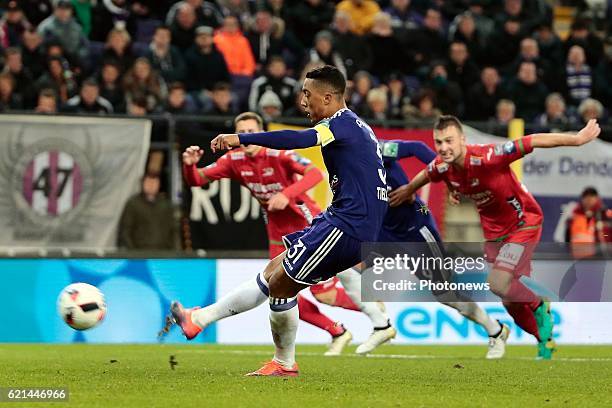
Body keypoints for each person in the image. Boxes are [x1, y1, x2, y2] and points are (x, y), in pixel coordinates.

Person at [172, 65, 389, 376]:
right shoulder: (356, 126)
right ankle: (199, 320)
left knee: (283, 284)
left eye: (307, 94)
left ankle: (286, 362)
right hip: (343, 221)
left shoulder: (339, 124)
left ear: (327, 98)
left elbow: (298, 140)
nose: (302, 100)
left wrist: (239, 137)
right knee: (273, 272)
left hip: (346, 226)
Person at [388, 115, 601, 360]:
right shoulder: (442, 166)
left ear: (463, 140)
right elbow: (427, 174)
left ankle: (539, 305)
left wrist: (576, 139)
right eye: (439, 142)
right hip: (494, 233)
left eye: (449, 140)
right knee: (509, 302)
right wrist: (408, 190)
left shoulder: (488, 156)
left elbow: (532, 140)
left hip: (523, 221)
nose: (444, 147)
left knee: (498, 283)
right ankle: (544, 341)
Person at [118, 172, 178, 250]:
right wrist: (132, 253)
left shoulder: (166, 205)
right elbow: (125, 230)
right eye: (148, 182)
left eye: (154, 182)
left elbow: (173, 231)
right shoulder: (133, 204)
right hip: (139, 253)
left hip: (163, 253)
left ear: (159, 184)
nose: (151, 185)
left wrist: (174, 252)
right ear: (142, 183)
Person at [565, 187, 612, 258]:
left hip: (602, 257)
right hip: (578, 258)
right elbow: (568, 238)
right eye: (586, 197)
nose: (588, 200)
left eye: (591, 197)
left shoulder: (606, 216)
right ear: (582, 199)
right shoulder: (574, 217)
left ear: (597, 199)